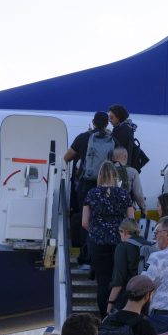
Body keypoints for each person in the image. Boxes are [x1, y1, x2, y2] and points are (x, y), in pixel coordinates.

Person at [82, 161, 134, 316]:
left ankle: (104, 317)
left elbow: (84, 222)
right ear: (115, 176)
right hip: (120, 243)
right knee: (120, 280)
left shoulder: (92, 194)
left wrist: (97, 232)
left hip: (98, 244)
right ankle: (118, 312)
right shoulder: (124, 194)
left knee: (103, 281)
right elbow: (131, 222)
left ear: (100, 176)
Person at [63, 112, 114, 263]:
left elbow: (66, 158)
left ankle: (85, 254)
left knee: (86, 218)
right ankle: (99, 255)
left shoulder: (83, 138)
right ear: (107, 124)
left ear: (93, 122)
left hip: (86, 185)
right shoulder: (112, 140)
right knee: (103, 218)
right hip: (105, 185)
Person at [108, 218, 145, 310]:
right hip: (146, 296)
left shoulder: (122, 247)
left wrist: (110, 304)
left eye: (120, 232)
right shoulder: (149, 245)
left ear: (124, 232)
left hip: (128, 297)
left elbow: (119, 279)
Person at [112, 146, 146, 215]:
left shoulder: (106, 170)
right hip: (126, 211)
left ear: (113, 157)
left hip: (109, 209)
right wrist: (143, 208)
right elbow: (138, 194)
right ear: (125, 157)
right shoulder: (132, 171)